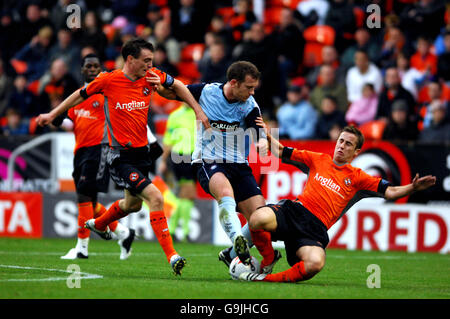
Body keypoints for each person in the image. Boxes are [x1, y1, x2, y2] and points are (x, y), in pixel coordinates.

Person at [36, 38, 210, 275]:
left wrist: (198, 111)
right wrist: (53, 113)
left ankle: (99, 224)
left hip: (142, 155)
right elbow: (79, 94)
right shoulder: (109, 80)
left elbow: (178, 85)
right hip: (119, 156)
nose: (150, 65)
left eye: (152, 60)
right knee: (155, 198)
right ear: (130, 59)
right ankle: (173, 256)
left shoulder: (151, 76)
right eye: (146, 60)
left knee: (133, 205)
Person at [240, 121, 436, 282]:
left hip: (314, 230)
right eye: (341, 141)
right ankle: (268, 259)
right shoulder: (318, 159)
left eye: (348, 144)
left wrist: (413, 187)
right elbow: (281, 151)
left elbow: (391, 191)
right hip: (295, 212)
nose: (342, 146)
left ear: (357, 151)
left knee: (315, 264)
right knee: (257, 218)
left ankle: (262, 279)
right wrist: (267, 135)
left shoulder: (359, 178)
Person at [166, 61, 280, 272]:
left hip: (239, 165)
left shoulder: (249, 104)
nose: (252, 91)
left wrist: (263, 140)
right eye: (249, 87)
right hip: (208, 161)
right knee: (225, 193)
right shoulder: (206, 92)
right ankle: (237, 238)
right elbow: (173, 92)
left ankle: (231, 253)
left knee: (260, 218)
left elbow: (257, 127)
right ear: (234, 83)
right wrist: (161, 82)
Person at [53, 54, 136, 260]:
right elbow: (71, 123)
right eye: (88, 66)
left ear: (100, 69)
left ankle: (82, 248)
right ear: (82, 70)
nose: (92, 69)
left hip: (99, 149)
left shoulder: (105, 94)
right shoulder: (77, 97)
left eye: (96, 66)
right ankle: (123, 232)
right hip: (79, 151)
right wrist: (55, 120)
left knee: (83, 194)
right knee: (90, 204)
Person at [159, 103, 197, 242]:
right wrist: (163, 160)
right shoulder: (175, 115)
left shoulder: (198, 112)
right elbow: (168, 140)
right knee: (188, 193)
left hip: (195, 157)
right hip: (181, 156)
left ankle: (173, 230)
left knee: (185, 195)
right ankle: (184, 232)